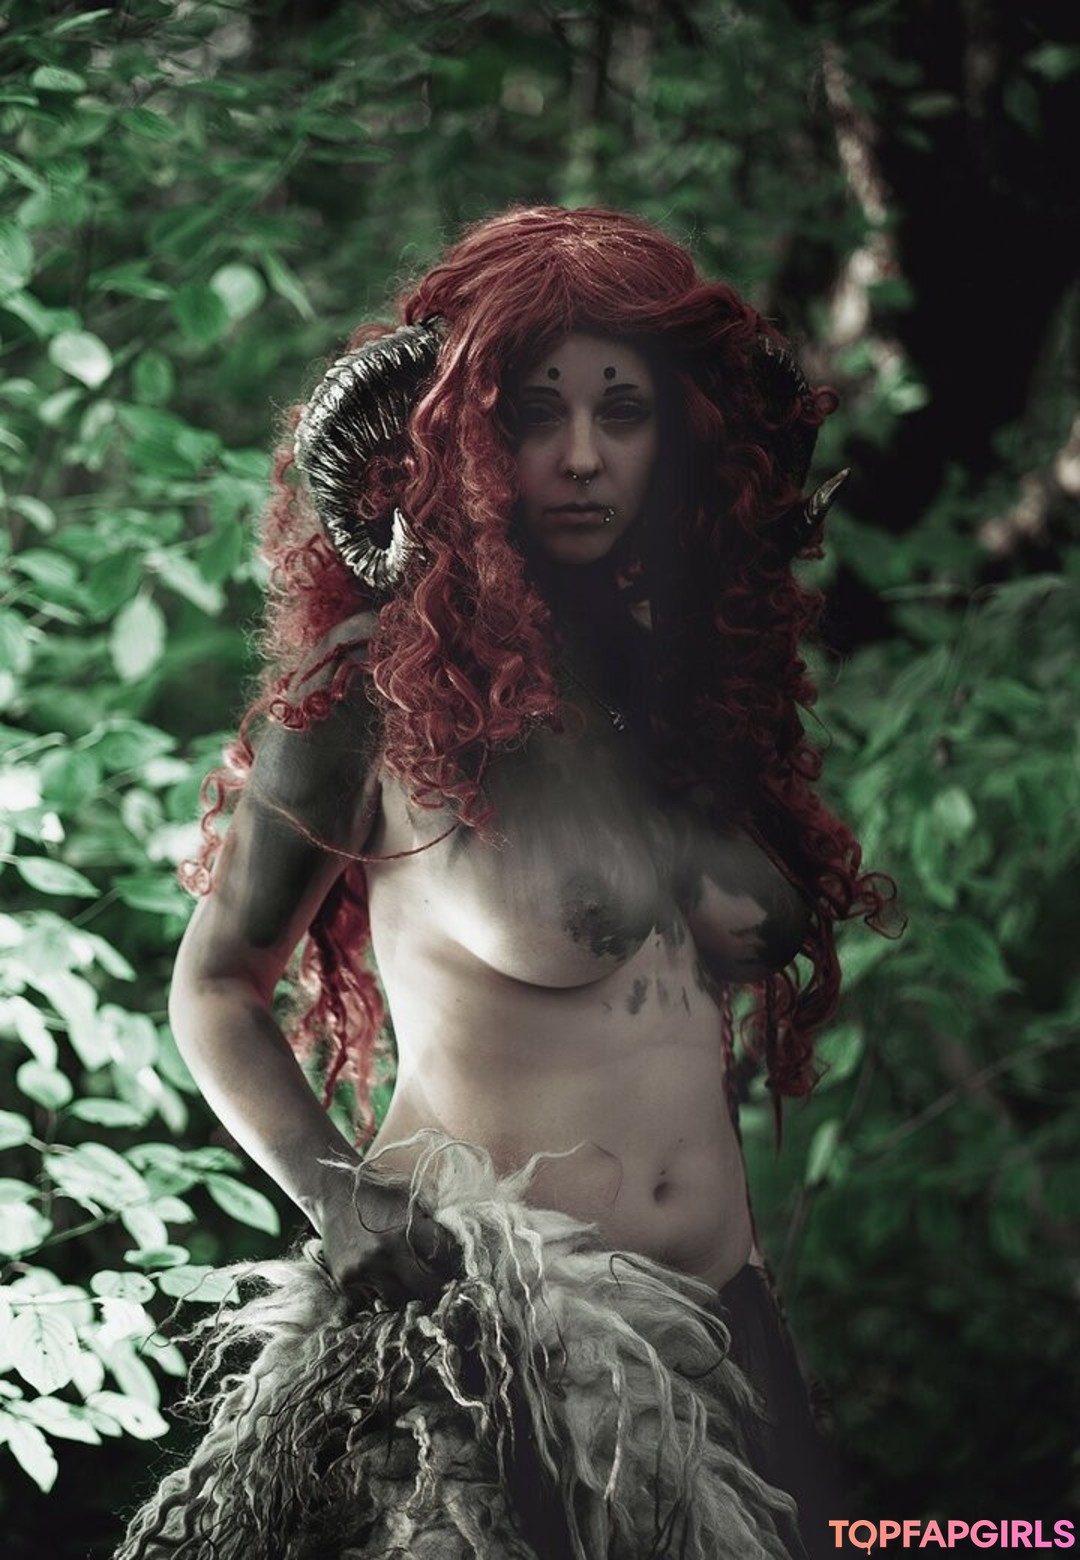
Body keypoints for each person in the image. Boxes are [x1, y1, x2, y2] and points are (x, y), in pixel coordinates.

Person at [116, 206, 896, 1560]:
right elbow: (217, 985)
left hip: (728, 1330)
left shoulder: (680, 684)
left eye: (623, 412)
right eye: (536, 413)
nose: (582, 456)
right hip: (498, 1355)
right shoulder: (369, 687)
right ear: (461, 437)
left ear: (679, 439)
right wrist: (338, 1197)